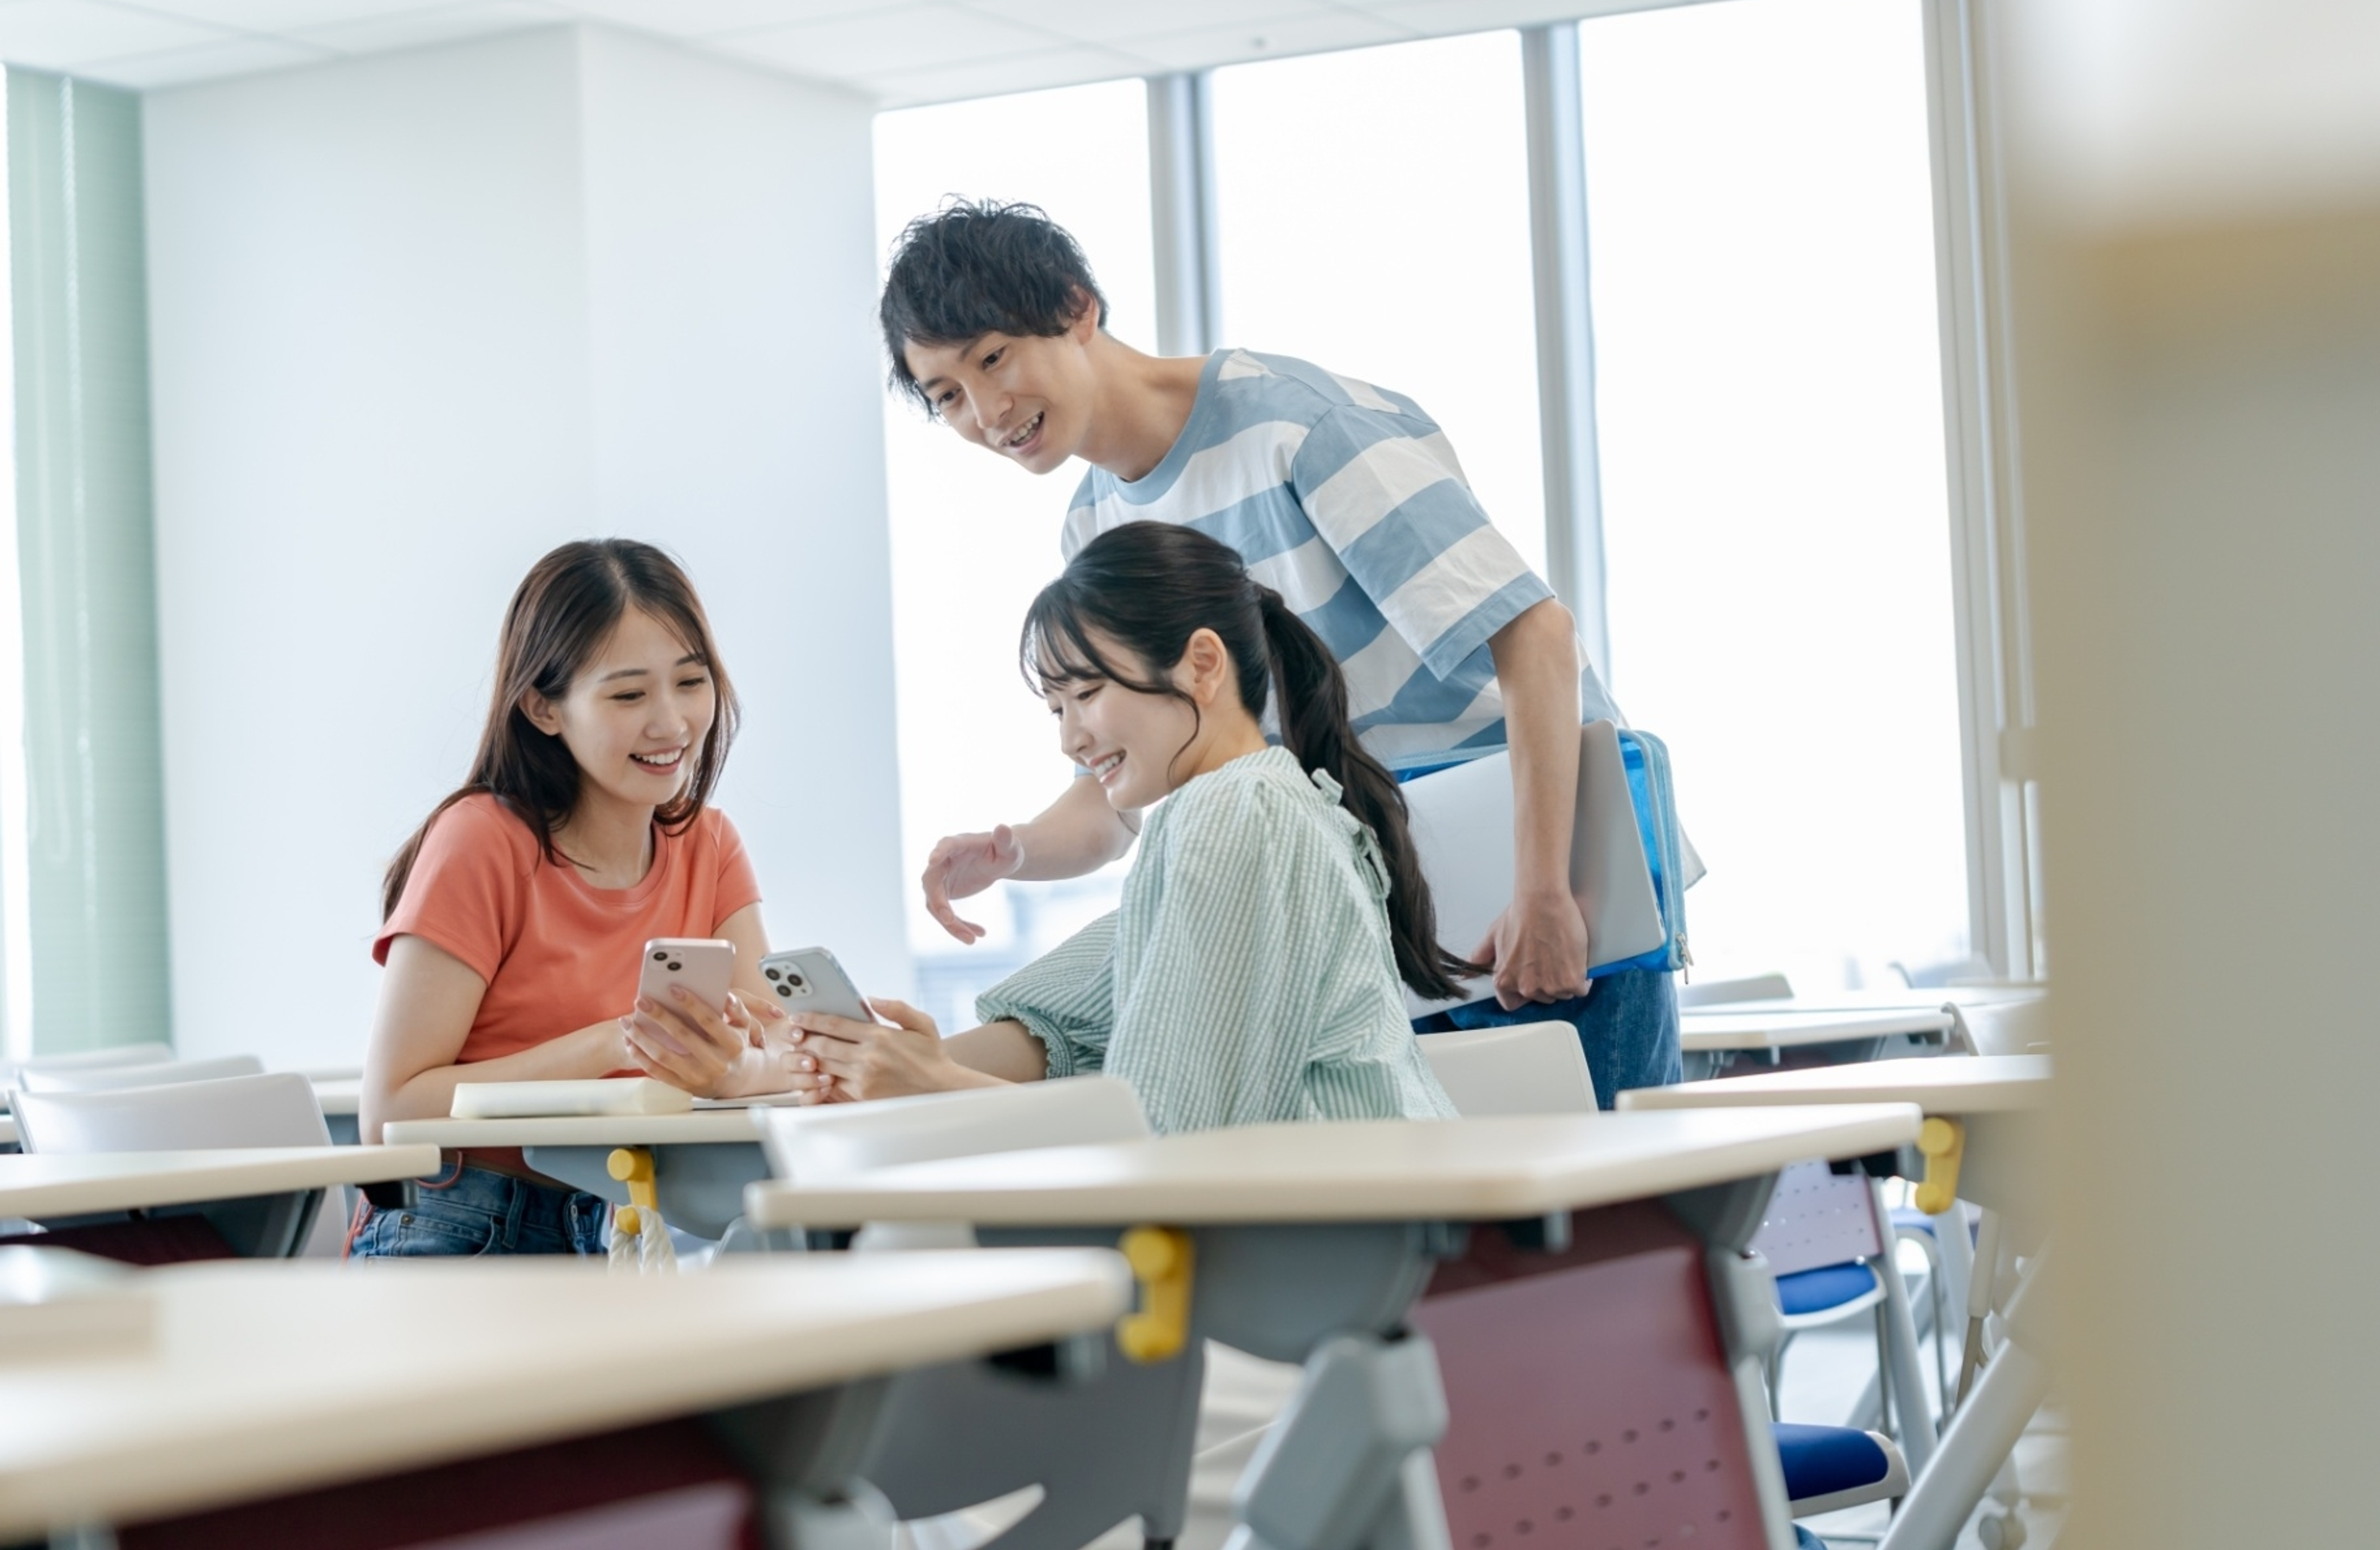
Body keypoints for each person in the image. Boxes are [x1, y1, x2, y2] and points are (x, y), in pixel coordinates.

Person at [879, 200, 1679, 1105]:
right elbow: (1140, 786)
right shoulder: (1094, 524)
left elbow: (1536, 638)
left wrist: (1544, 891)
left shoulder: (1296, 427)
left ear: (1076, 306)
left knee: (1603, 1224)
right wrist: (1015, 851)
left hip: (1535, 887)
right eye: (946, 395)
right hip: (1381, 918)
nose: (986, 411)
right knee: (1460, 1237)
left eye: (992, 358)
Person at [788, 522, 1457, 1134]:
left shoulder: (1235, 815)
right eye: (1056, 709)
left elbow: (1164, 1135)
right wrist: (901, 1066)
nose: (1071, 740)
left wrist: (936, 1084)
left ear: (1202, 663)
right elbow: (1068, 1021)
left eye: (1086, 694)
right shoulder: (1253, 809)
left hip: (1355, 1231)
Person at [356, 539, 801, 1257]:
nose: (672, 723)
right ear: (543, 708)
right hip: (457, 1223)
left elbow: (781, 1040)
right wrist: (609, 1045)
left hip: (615, 1219)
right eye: (629, 694)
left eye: (691, 682)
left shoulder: (709, 844)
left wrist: (733, 1069)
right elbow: (391, 1111)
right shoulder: (481, 841)